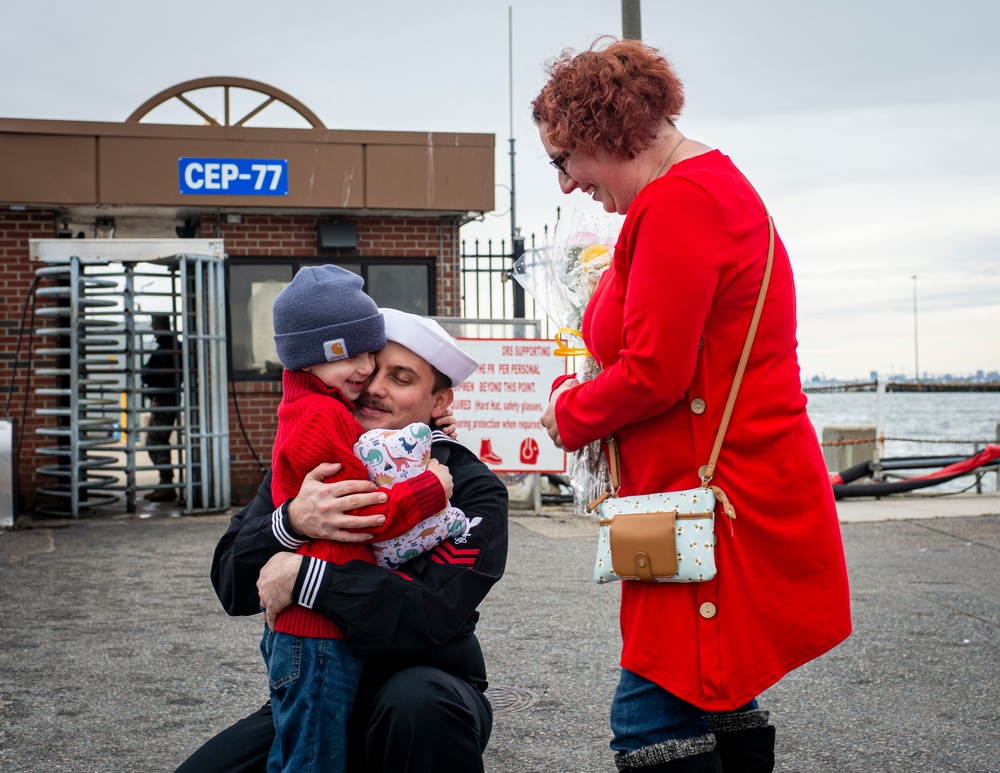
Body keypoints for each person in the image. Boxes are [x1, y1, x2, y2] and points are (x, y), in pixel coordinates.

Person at [534, 39, 852, 772]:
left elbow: (653, 373)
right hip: (722, 494)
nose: (565, 184)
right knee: (717, 689)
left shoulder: (680, 202)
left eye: (563, 160)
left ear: (602, 134)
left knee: (650, 714)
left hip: (711, 502)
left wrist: (571, 413)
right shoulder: (703, 189)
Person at [176, 308, 508, 773]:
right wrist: (291, 522)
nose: (374, 387)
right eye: (371, 370)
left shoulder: (469, 485)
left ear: (439, 401)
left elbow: (430, 615)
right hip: (315, 686)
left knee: (418, 705)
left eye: (401, 377)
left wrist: (309, 579)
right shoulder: (313, 461)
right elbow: (231, 584)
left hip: (425, 689)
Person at [263, 266, 460, 772]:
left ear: (440, 400)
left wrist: (428, 439)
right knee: (312, 760)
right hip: (319, 634)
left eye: (397, 375)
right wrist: (429, 489)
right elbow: (367, 513)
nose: (368, 375)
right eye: (359, 359)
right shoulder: (322, 418)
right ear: (315, 355)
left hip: (370, 657)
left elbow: (439, 608)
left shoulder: (318, 412)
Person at [142, 314, 181, 502]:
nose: (153, 330)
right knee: (159, 440)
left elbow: (159, 376)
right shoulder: (173, 346)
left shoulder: (165, 349)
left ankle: (167, 484)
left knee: (155, 441)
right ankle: (165, 484)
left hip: (163, 401)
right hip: (166, 399)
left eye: (154, 326)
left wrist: (155, 396)